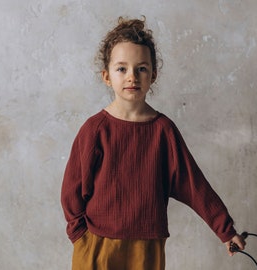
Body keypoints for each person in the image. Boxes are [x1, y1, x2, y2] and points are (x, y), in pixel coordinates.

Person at [61, 16, 246, 270]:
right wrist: (80, 237)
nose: (132, 77)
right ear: (106, 76)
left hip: (146, 249)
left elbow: (194, 184)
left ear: (153, 75)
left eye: (141, 68)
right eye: (122, 68)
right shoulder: (95, 130)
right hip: (97, 245)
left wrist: (225, 230)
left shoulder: (163, 131)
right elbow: (72, 189)